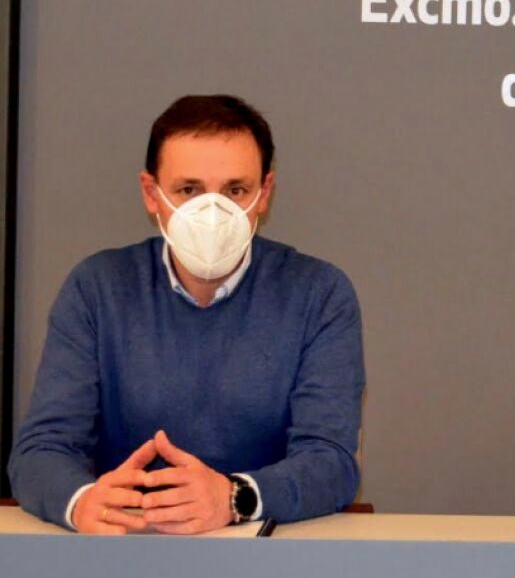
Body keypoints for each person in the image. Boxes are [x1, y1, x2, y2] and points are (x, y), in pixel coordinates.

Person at [8, 95, 364, 534]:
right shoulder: (97, 288)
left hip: (266, 549)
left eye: (235, 191)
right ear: (151, 194)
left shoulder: (320, 293)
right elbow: (41, 451)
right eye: (189, 190)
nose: (212, 213)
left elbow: (331, 462)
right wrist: (83, 502)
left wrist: (233, 497)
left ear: (264, 193)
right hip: (126, 545)